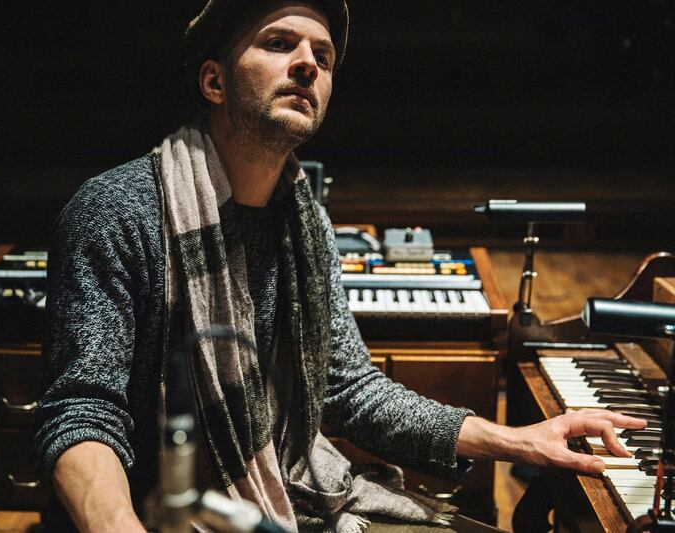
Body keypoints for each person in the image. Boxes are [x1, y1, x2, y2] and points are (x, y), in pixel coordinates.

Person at [34, 1, 646, 531]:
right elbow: (84, 411)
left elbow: (348, 389)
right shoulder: (116, 213)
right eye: (279, 44)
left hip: (288, 496)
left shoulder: (306, 223)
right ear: (214, 82)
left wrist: (516, 441)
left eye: (322, 58)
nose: (307, 64)